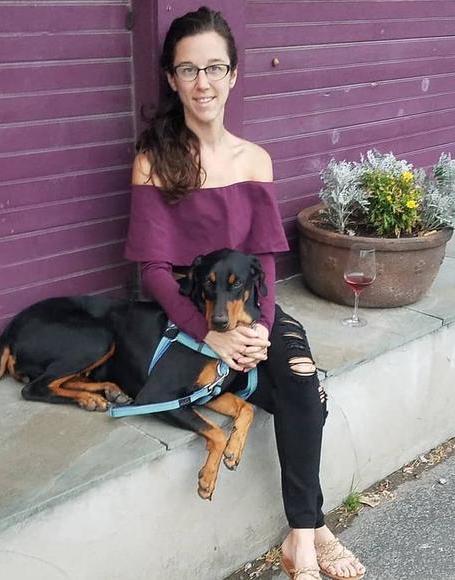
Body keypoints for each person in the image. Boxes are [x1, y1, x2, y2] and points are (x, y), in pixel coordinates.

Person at [124, 6, 366, 580]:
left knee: (298, 373)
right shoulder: (154, 163)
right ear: (171, 79)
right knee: (308, 398)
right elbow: (154, 271)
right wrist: (208, 333)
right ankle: (315, 531)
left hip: (250, 312)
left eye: (214, 68)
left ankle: (299, 541)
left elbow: (265, 259)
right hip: (188, 313)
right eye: (188, 70)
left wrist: (259, 328)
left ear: (233, 74)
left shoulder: (255, 159)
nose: (202, 83)